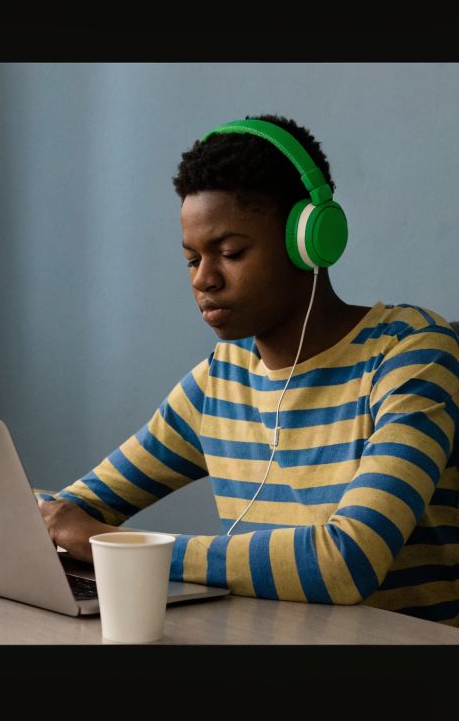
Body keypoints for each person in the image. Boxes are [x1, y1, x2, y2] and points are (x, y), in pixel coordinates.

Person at [38, 115, 459, 626]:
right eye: (191, 260)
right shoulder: (222, 379)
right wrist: (38, 519)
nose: (205, 280)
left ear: (310, 241)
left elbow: (347, 563)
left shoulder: (412, 355)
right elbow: (73, 510)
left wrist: (119, 547)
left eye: (231, 253)